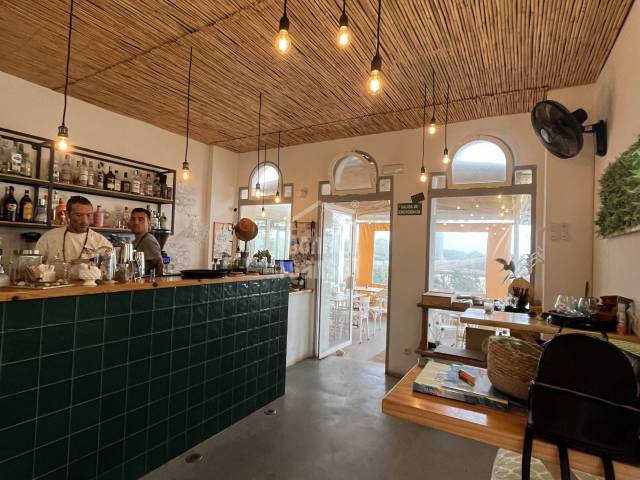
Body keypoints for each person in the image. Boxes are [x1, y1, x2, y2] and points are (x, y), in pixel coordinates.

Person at [35, 196, 112, 263]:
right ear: (67, 214)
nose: (85, 221)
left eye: (88, 215)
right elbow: (33, 267)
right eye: (79, 215)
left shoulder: (102, 243)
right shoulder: (49, 237)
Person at [128, 208, 164, 275]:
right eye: (133, 219)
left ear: (149, 223)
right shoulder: (134, 242)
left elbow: (160, 266)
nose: (136, 222)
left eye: (141, 219)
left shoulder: (148, 241)